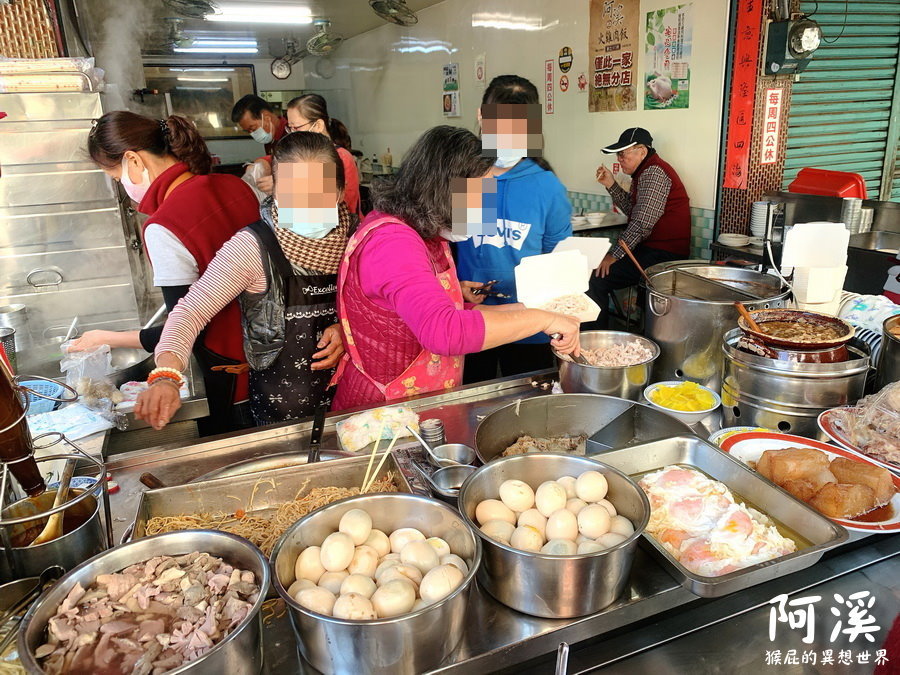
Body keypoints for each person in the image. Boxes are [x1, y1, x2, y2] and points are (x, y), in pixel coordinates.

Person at [331, 125, 581, 411]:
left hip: (421, 400)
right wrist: (542, 320)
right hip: (383, 413)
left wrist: (533, 311)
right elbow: (443, 329)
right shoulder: (393, 242)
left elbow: (452, 312)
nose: (487, 208)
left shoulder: (428, 234)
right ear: (444, 188)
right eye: (480, 194)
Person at [134, 132, 351, 430]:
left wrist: (347, 330)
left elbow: (381, 310)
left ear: (340, 191)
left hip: (352, 408)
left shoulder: (359, 240)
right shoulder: (252, 247)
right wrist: (166, 376)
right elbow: (189, 312)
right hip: (280, 418)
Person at [69, 111, 261, 433]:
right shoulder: (236, 186)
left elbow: (187, 327)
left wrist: (111, 339)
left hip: (230, 382)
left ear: (133, 160)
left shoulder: (163, 226)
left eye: (116, 176)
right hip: (276, 367)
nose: (121, 185)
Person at [455, 75, 573, 384]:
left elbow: (557, 260)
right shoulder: (469, 178)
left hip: (529, 324)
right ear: (482, 116)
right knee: (468, 398)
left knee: (528, 402)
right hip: (470, 319)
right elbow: (458, 245)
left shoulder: (546, 185)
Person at [585, 127, 691, 330]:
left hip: (663, 255)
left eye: (623, 153)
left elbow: (641, 223)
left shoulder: (654, 172)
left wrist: (614, 255)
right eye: (618, 154)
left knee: (596, 277)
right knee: (596, 270)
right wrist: (610, 184)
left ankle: (594, 341)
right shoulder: (646, 171)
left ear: (642, 151)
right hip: (650, 250)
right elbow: (634, 210)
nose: (619, 159)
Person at [285, 94, 361, 216]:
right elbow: (290, 214)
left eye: (297, 127)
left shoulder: (340, 157)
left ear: (318, 125)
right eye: (290, 128)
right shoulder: (300, 155)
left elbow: (344, 208)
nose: (292, 134)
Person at [231, 95, 289, 198]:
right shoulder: (271, 139)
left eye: (252, 128)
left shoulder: (292, 133)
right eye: (248, 131)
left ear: (266, 117)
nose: (252, 134)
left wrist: (284, 183)